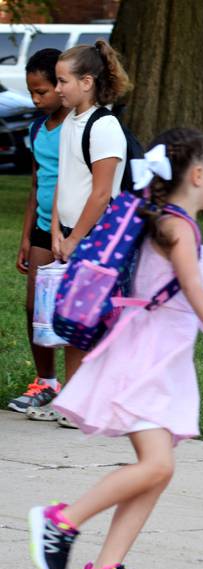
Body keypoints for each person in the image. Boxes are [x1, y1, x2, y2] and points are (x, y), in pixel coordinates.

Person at [28, 128, 203, 569]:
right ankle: (60, 521)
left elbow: (198, 293)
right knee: (156, 465)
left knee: (158, 469)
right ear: (197, 175)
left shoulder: (175, 225)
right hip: (143, 360)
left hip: (158, 361)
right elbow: (195, 294)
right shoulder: (177, 228)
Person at [26, 41, 129, 425]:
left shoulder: (105, 127)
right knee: (73, 324)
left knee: (95, 326)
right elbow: (63, 184)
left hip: (97, 239)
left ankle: (98, 403)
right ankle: (72, 400)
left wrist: (75, 238)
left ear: (87, 82)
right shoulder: (70, 121)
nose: (59, 88)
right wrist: (55, 230)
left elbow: (101, 194)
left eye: (63, 80)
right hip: (67, 236)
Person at [8, 49, 68, 415]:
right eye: (31, 92)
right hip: (44, 230)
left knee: (77, 313)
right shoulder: (36, 128)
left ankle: (83, 389)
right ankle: (46, 381)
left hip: (75, 231)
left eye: (42, 91)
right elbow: (35, 185)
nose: (35, 99)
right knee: (35, 308)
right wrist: (26, 238)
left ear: (62, 85)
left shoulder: (80, 126)